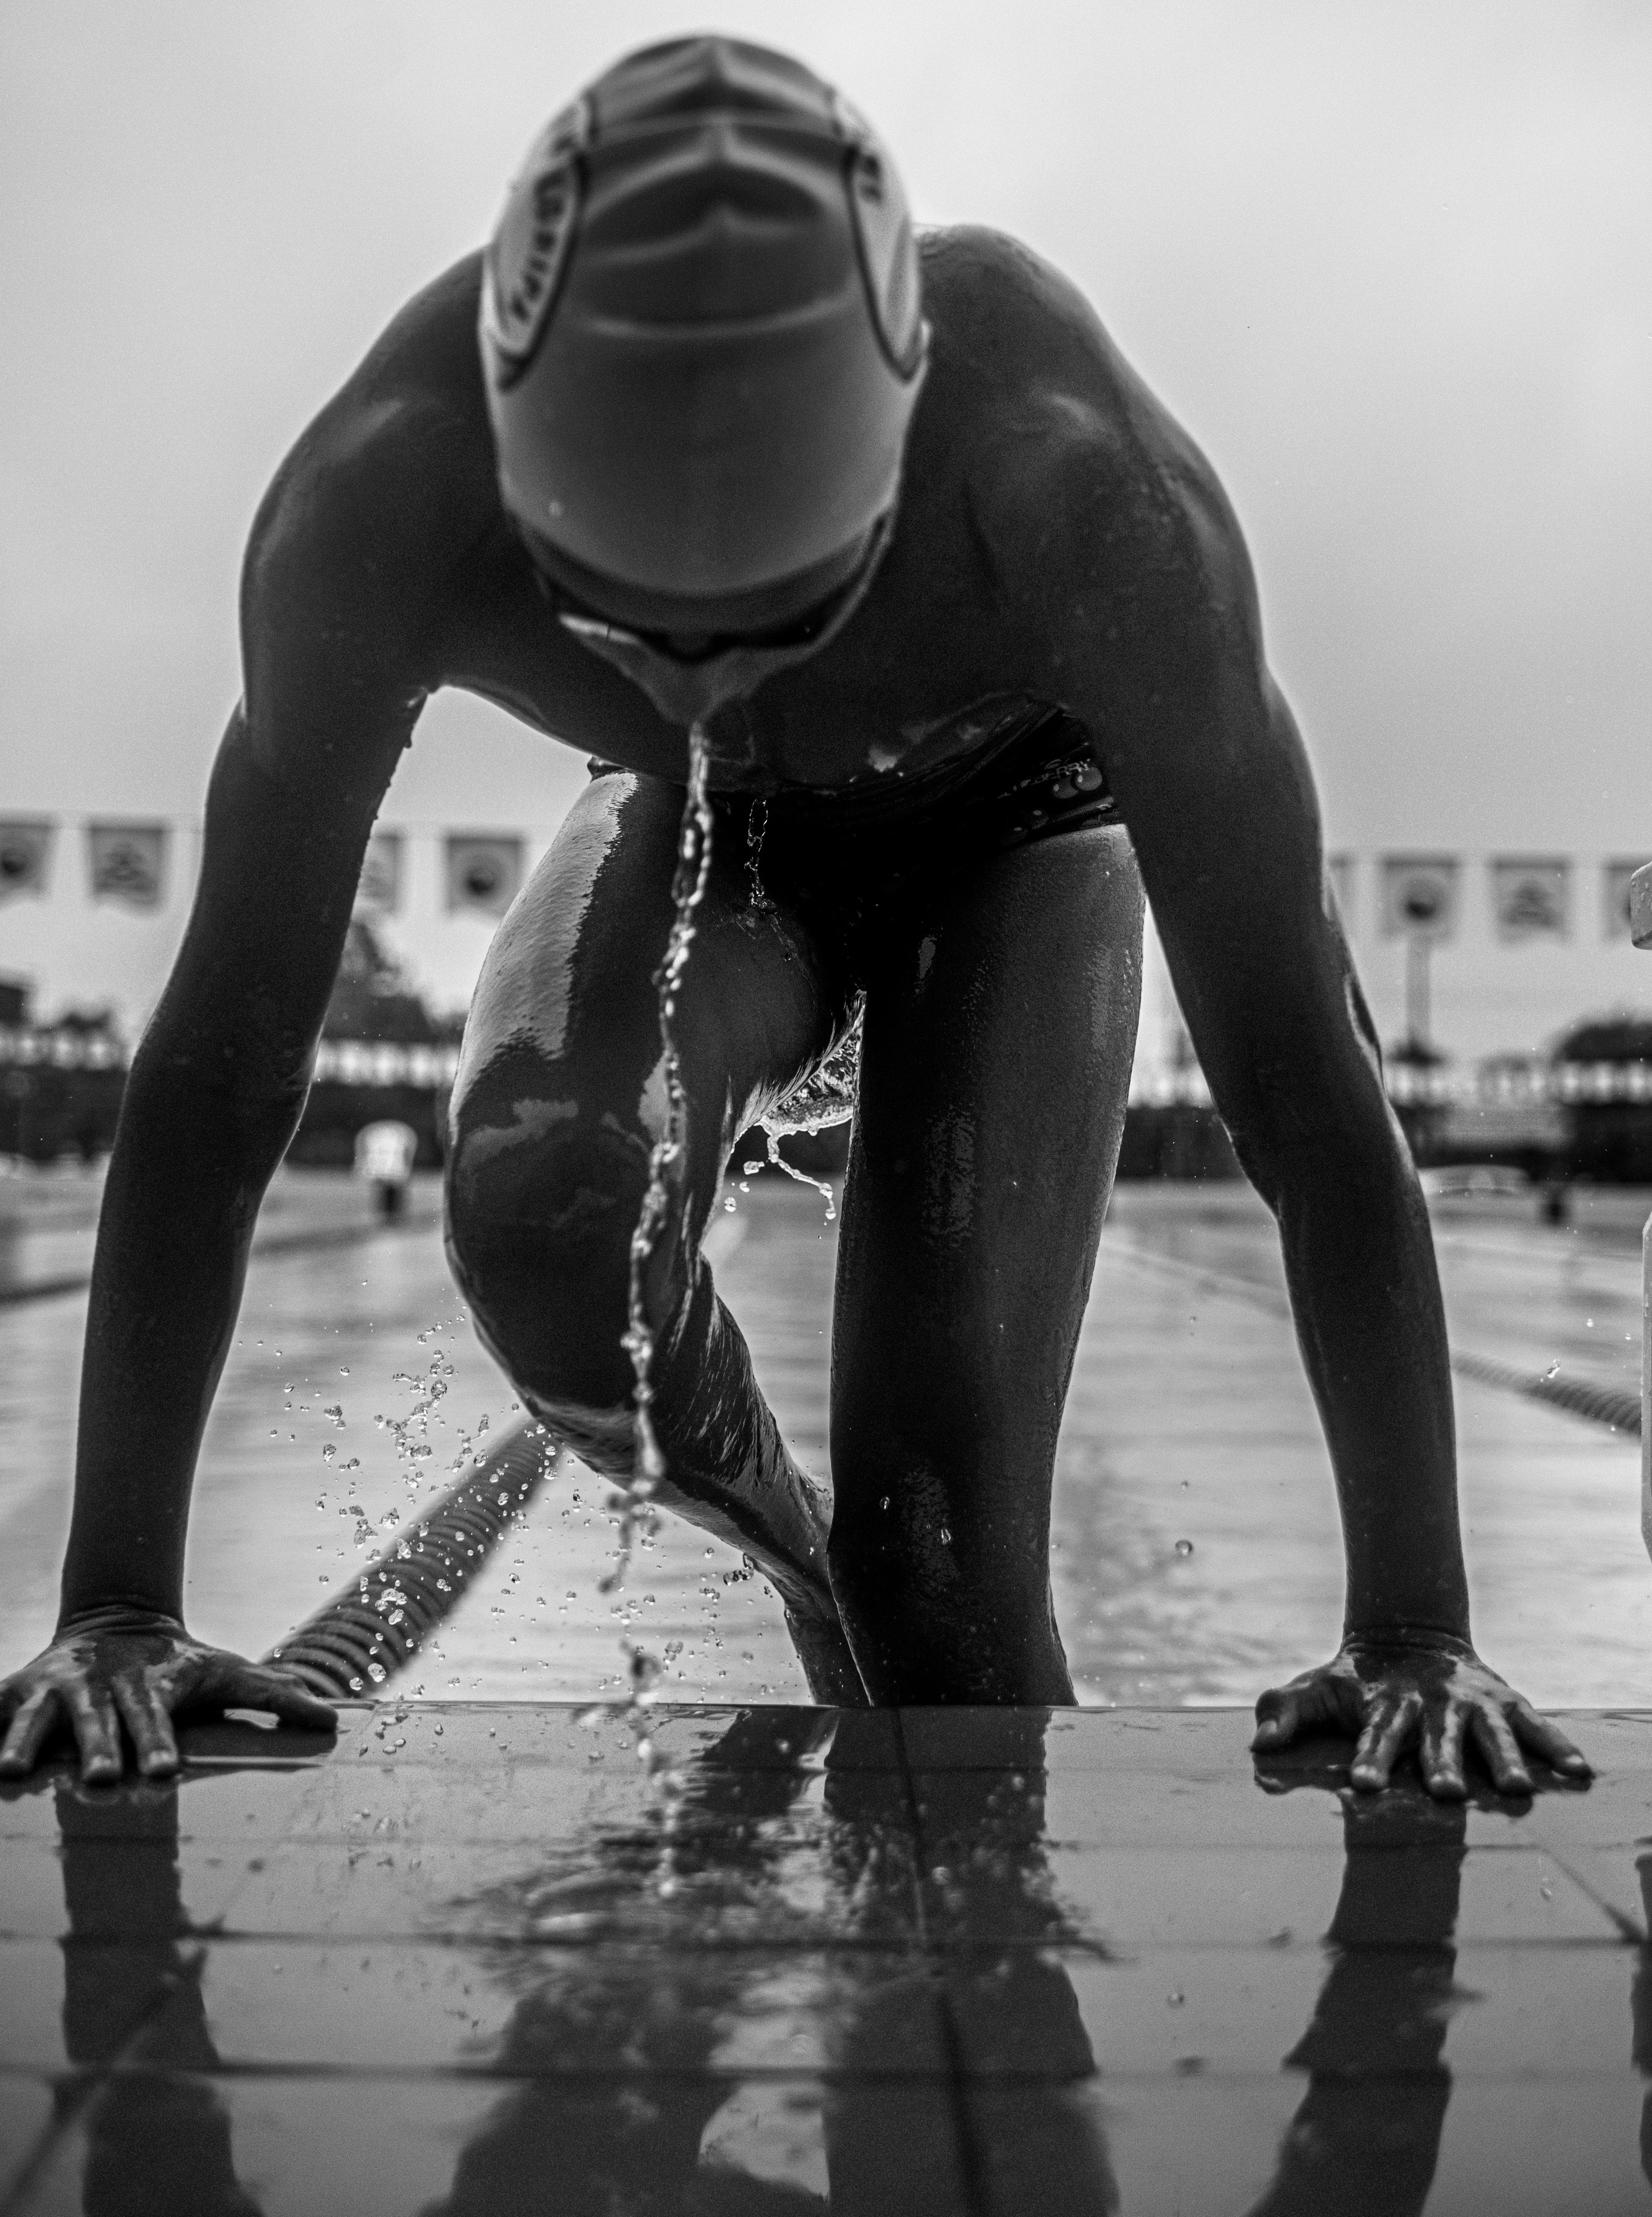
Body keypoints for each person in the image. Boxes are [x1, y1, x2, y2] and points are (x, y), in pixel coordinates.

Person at [0, 35, 1588, 1797]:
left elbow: (1307, 1084)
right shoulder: (379, 497)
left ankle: (900, 1689)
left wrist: (1415, 1628)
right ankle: (797, 1564)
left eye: (783, 618)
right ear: (517, 486)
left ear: (900, 455)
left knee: (948, 1601)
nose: (721, 696)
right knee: (546, 1198)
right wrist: (119, 1600)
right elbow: (225, 1067)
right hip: (708, 853)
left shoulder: (1078, 490)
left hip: (1023, 833)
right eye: (633, 636)